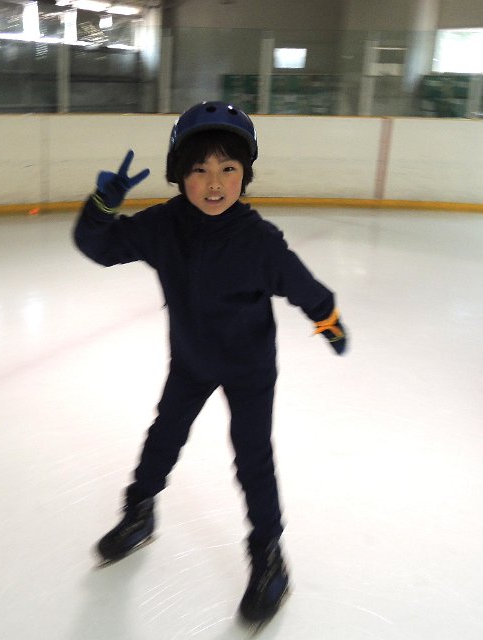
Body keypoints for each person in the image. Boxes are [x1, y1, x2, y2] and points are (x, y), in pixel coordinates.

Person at [72, 101, 347, 625]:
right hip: (192, 361)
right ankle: (139, 513)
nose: (214, 182)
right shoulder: (163, 226)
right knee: (164, 436)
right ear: (180, 174)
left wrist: (328, 319)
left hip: (249, 368)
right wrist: (102, 206)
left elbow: (301, 284)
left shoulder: (258, 240)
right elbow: (100, 248)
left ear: (246, 174)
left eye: (228, 168)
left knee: (252, 459)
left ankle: (268, 555)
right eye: (199, 169)